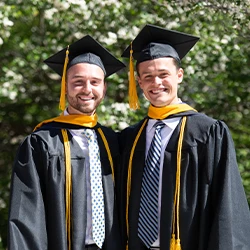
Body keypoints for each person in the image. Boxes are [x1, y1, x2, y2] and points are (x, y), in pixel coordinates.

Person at [118, 24, 250, 250]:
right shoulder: (129, 138)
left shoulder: (208, 132)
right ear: (139, 82)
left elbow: (227, 204)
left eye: (163, 74)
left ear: (179, 75)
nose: (156, 83)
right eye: (147, 76)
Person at [8, 35, 125, 250]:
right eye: (78, 82)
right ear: (65, 87)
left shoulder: (113, 141)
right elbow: (26, 216)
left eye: (95, 82)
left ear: (104, 88)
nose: (87, 89)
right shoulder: (41, 143)